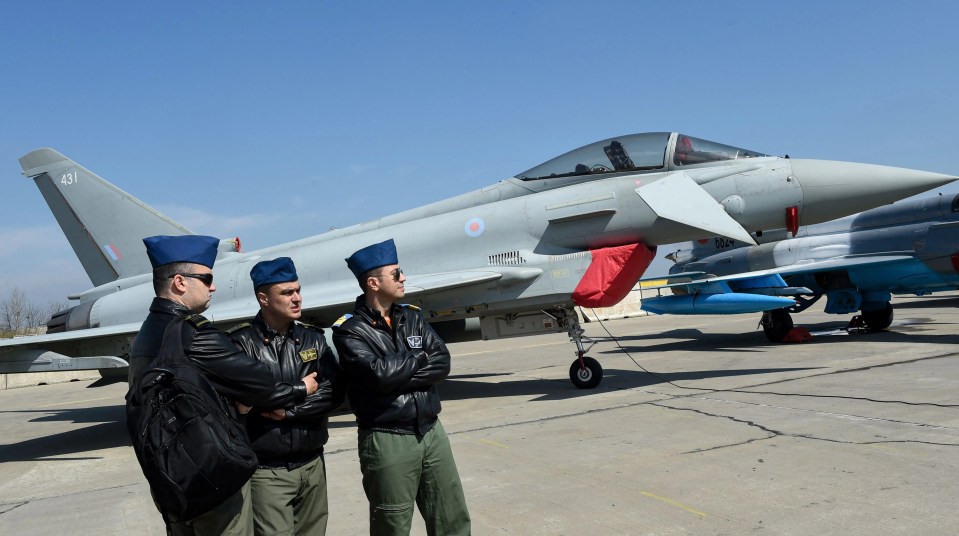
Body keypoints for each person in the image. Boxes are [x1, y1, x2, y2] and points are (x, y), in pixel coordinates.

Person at [128, 235, 319, 536]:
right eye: (206, 278)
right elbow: (263, 381)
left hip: (170, 480)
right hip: (209, 479)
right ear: (180, 282)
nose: (213, 286)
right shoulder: (195, 334)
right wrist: (298, 390)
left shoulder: (146, 334)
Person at [333, 238, 470, 536]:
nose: (404, 277)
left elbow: (442, 362)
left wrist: (398, 374)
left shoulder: (413, 317)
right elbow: (378, 376)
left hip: (432, 432)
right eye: (396, 273)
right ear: (373, 282)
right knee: (392, 525)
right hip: (388, 439)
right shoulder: (349, 331)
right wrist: (420, 356)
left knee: (452, 517)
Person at [228, 257, 345, 536]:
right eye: (287, 292)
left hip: (314, 465)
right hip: (268, 472)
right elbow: (247, 399)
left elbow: (335, 391)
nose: (297, 298)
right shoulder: (241, 343)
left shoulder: (313, 339)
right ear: (263, 298)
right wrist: (301, 390)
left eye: (298, 290)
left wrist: (290, 412)